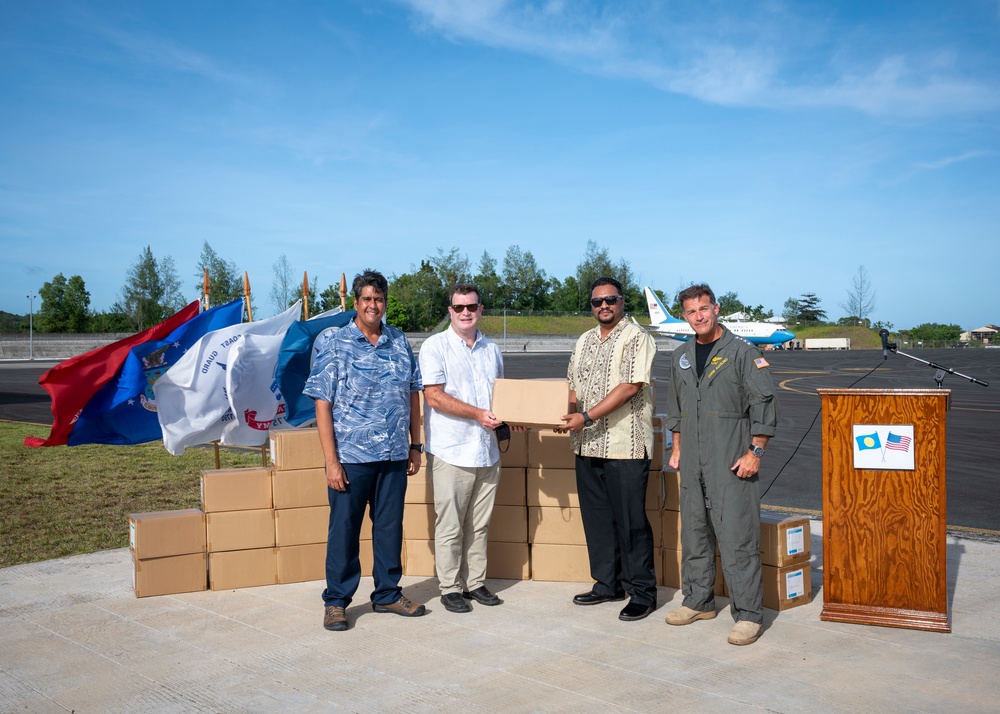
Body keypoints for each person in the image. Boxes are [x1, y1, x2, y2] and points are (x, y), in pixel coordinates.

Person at [303, 269, 426, 632]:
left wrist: (415, 446)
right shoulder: (336, 343)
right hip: (352, 459)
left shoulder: (399, 341)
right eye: (367, 299)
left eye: (379, 299)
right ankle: (337, 601)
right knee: (344, 530)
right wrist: (331, 461)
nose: (373, 305)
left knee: (389, 528)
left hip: (393, 456)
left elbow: (412, 394)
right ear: (356, 303)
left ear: (385, 304)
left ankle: (387, 593)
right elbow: (322, 403)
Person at [663, 283, 779, 646]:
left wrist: (754, 453)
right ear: (684, 316)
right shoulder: (681, 356)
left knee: (737, 537)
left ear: (716, 309)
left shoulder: (743, 353)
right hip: (692, 459)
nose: (698, 316)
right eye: (690, 312)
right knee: (694, 532)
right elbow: (678, 408)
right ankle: (698, 600)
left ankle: (748, 615)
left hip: (730, 459)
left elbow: (764, 404)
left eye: (703, 309)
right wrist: (677, 448)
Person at [557, 277, 658, 622]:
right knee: (597, 519)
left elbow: (630, 386)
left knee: (631, 522)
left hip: (624, 445)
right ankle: (607, 584)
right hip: (587, 444)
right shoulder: (584, 340)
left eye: (610, 300)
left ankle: (641, 592)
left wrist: (584, 416)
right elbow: (572, 384)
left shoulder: (637, 337)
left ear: (621, 301)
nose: (604, 306)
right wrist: (562, 414)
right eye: (597, 301)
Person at [419, 282, 512, 613]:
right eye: (459, 308)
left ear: (480, 310)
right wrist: (477, 414)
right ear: (450, 311)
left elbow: (499, 397)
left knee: (479, 523)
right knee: (451, 523)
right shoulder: (435, 347)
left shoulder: (492, 350)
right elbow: (434, 396)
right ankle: (449, 587)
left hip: (486, 450)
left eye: (471, 307)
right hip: (451, 449)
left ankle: (475, 583)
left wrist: (511, 418)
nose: (465, 313)